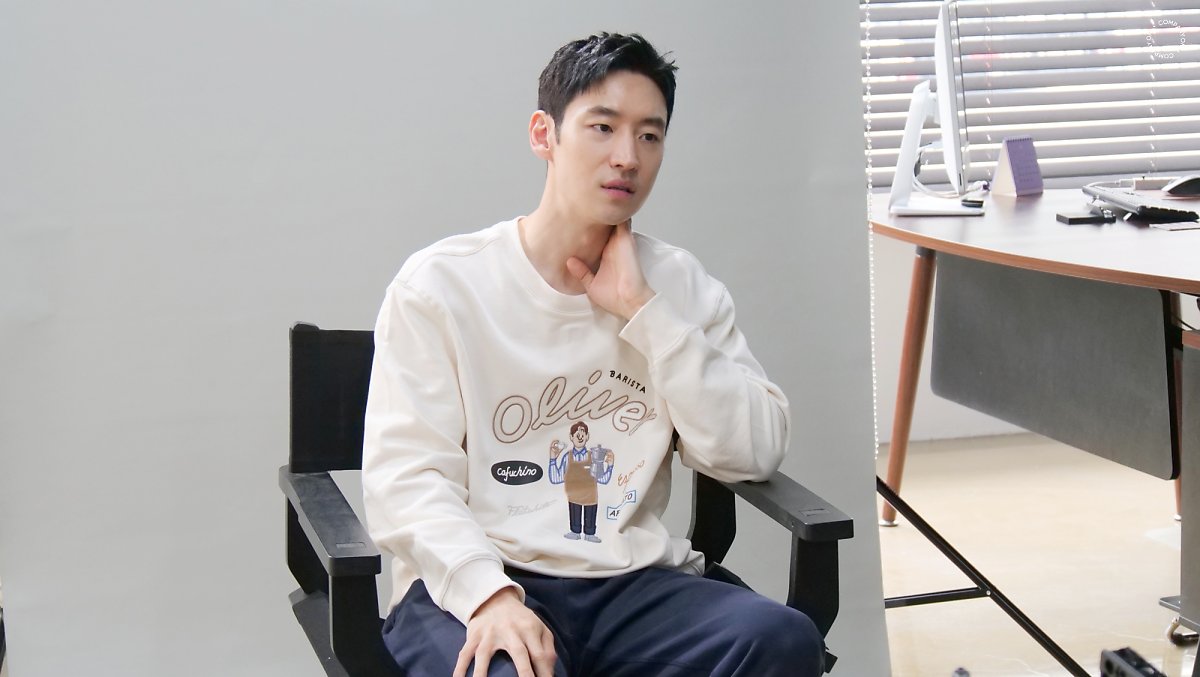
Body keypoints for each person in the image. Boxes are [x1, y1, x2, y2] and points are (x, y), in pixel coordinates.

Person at [362, 32, 825, 677]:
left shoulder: (680, 286)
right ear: (544, 135)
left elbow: (751, 452)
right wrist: (488, 595)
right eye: (602, 127)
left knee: (782, 640)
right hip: (473, 582)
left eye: (649, 136)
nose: (627, 157)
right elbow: (407, 477)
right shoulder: (441, 286)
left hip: (630, 585)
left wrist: (645, 312)